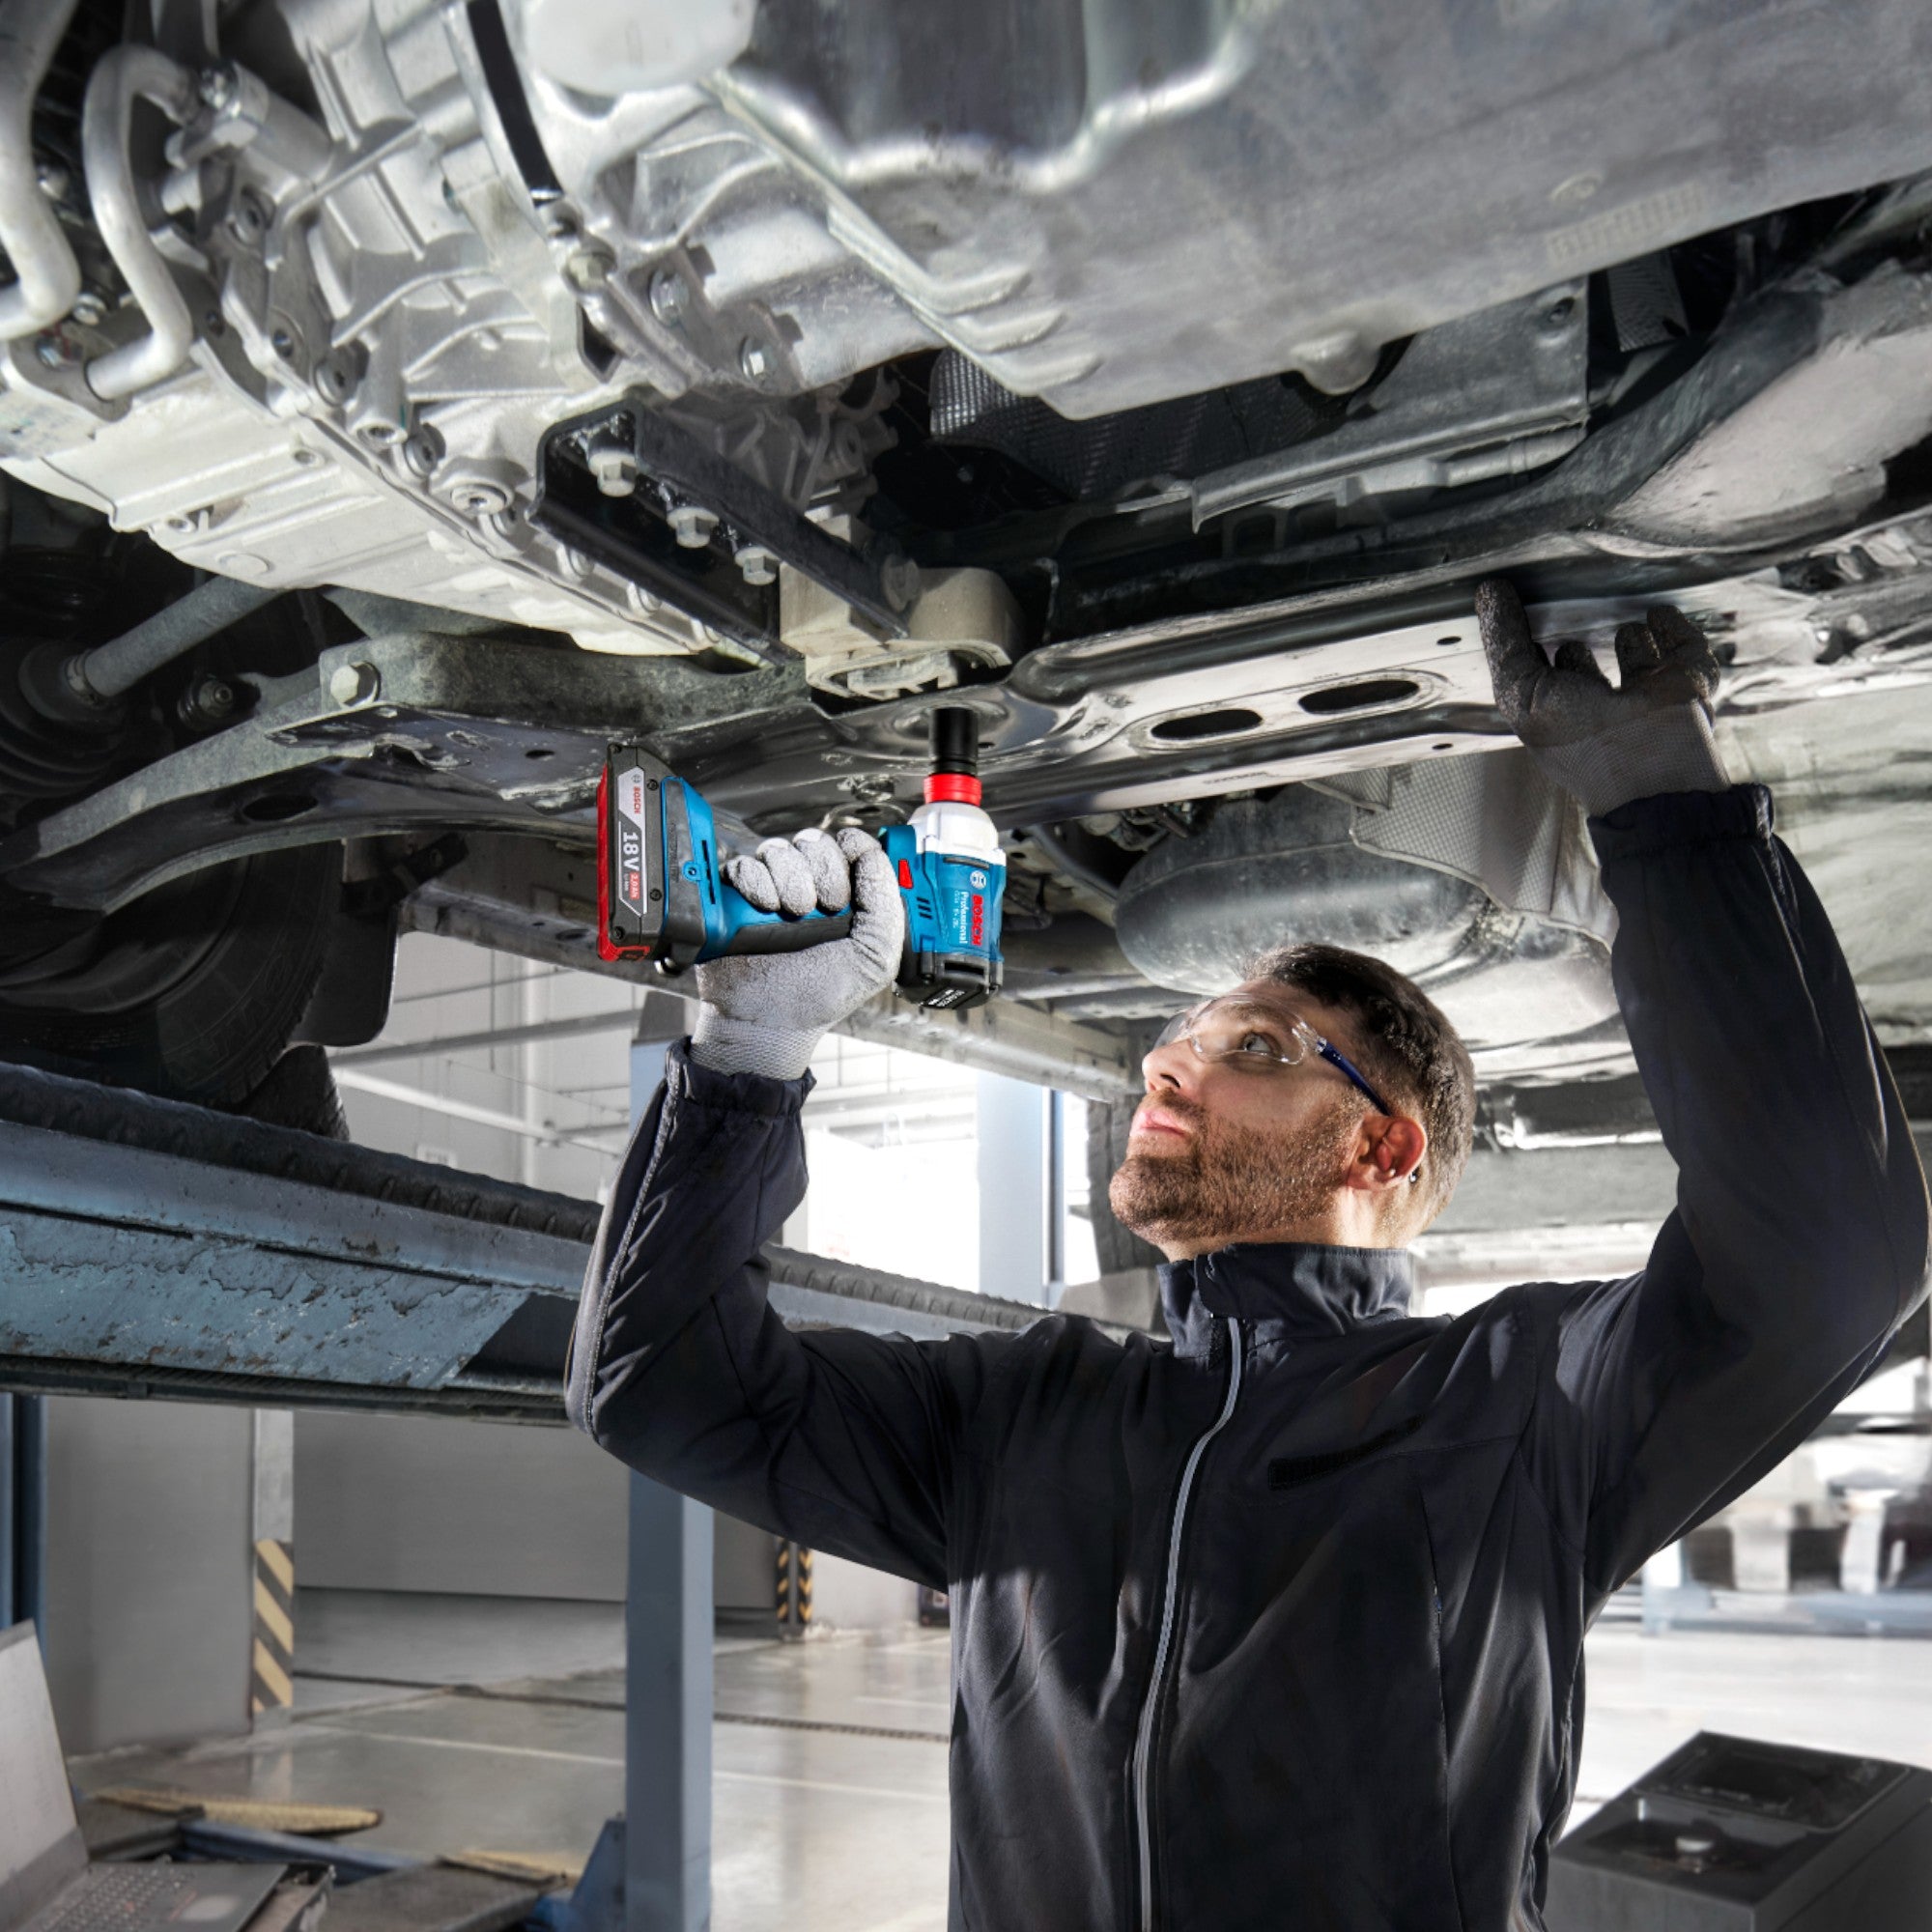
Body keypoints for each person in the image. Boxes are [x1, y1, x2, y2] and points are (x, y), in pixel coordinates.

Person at [567, 581, 1929, 1931]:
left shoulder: (1521, 1406)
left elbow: (1824, 1265)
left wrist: (1669, 818)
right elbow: (660, 1388)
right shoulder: (1024, 1410)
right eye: (1175, 1043)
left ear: (1381, 1149)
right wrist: (747, 1056)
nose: (1166, 1069)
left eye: (1257, 1048)